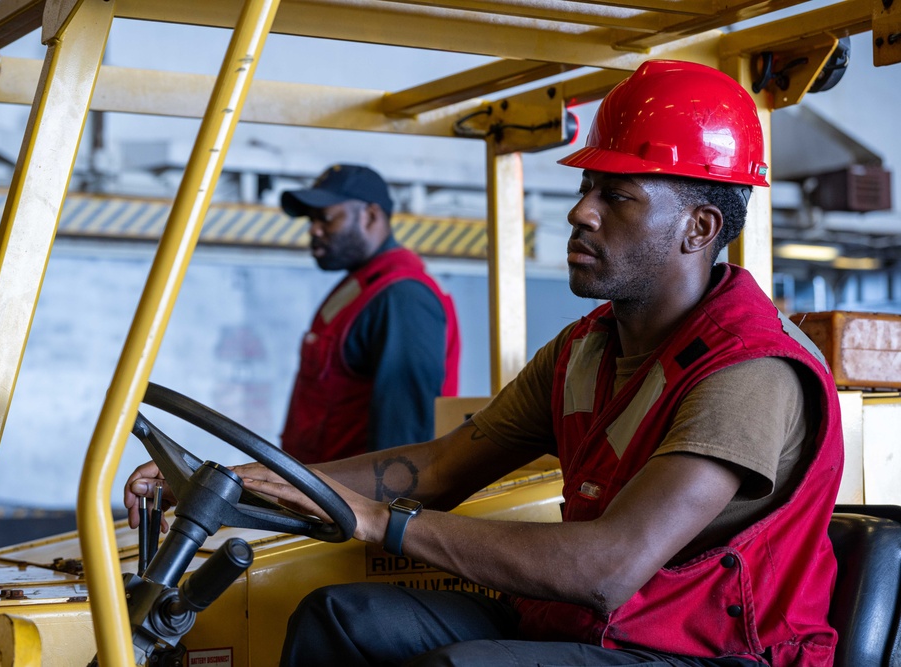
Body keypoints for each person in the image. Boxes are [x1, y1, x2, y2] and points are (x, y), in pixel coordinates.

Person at [126, 60, 843, 667]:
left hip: (700, 650)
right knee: (338, 619)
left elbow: (606, 568)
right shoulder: (585, 349)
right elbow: (440, 469)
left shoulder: (749, 371)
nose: (581, 212)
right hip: (581, 627)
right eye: (586, 187)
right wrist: (245, 482)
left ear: (700, 227)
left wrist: (384, 523)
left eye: (616, 195)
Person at [278, 163, 461, 463]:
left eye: (325, 218)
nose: (313, 230)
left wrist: (379, 507)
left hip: (345, 504)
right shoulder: (364, 284)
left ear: (371, 215)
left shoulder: (402, 296)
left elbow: (402, 443)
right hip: (318, 497)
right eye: (311, 220)